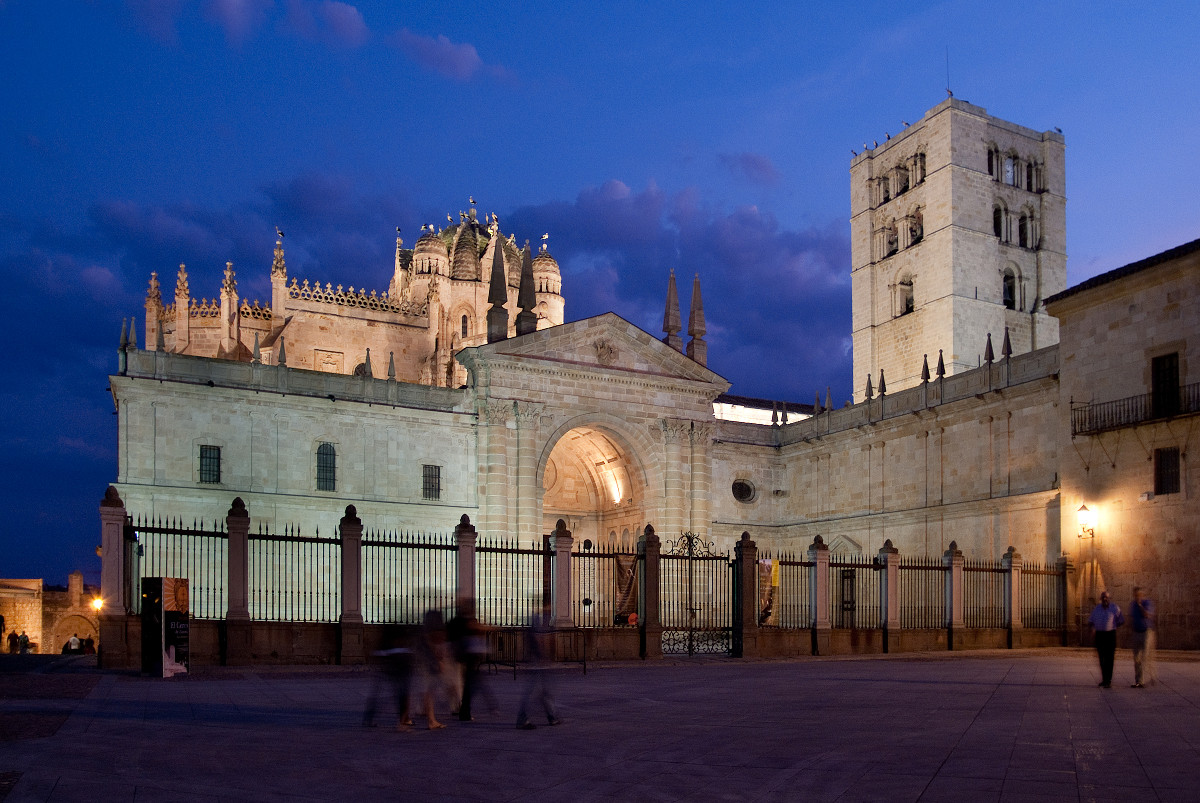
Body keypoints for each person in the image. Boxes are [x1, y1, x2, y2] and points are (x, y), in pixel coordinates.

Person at [516, 601, 561, 730]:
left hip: (538, 661)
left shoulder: (542, 620)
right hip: (537, 662)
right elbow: (537, 640)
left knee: (544, 691)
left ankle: (551, 716)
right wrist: (542, 656)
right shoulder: (539, 620)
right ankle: (523, 717)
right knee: (534, 691)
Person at [1088, 591, 1124, 688]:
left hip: (1110, 635)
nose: (1105, 599)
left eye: (1106, 597)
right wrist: (1093, 629)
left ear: (1109, 598)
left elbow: (1121, 620)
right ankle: (1104, 679)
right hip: (1100, 635)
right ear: (1101, 598)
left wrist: (1113, 627)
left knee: (1109, 658)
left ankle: (1108, 680)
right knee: (1102, 658)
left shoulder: (1115, 608)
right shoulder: (1096, 609)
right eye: (1103, 597)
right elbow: (1091, 621)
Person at [1128, 587, 1156, 688]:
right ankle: (1139, 681)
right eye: (1135, 595)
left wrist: (1140, 605)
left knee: (1146, 657)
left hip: (1146, 632)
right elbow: (1132, 618)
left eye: (1139, 595)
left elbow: (1147, 615)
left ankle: (1150, 676)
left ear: (1142, 595)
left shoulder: (1147, 603)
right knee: (1137, 658)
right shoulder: (1132, 605)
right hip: (1136, 632)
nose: (1137, 597)